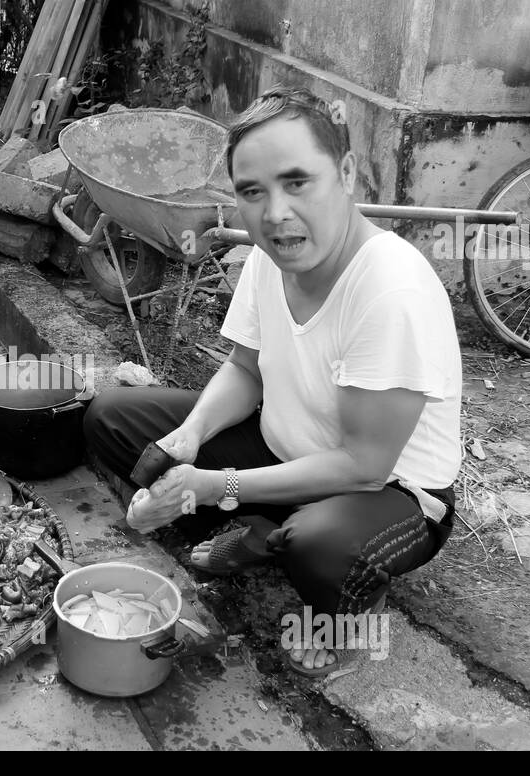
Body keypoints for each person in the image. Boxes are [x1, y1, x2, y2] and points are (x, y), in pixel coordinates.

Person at [83, 87, 463, 676]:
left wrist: (216, 484)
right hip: (284, 451)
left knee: (322, 547)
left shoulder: (391, 289)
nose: (275, 212)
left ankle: (347, 612)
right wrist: (188, 435)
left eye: (297, 183)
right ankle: (261, 527)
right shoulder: (273, 253)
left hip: (389, 494)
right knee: (112, 417)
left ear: (346, 173)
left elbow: (364, 464)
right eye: (252, 192)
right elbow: (244, 369)